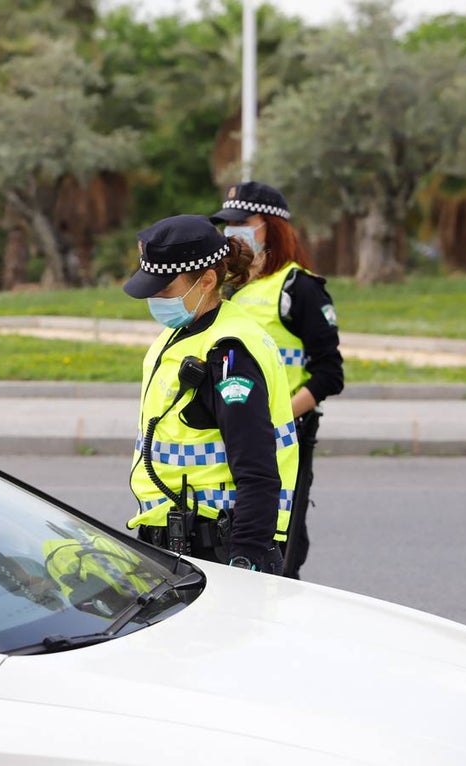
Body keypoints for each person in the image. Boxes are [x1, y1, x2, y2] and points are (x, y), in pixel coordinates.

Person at [122, 214, 299, 574]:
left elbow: (257, 468)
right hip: (178, 540)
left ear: (206, 281)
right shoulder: (187, 332)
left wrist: (247, 554)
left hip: (217, 548)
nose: (155, 299)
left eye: (165, 290)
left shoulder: (228, 353)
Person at [209, 182, 344, 579]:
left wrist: (278, 420)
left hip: (283, 436)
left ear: (271, 226)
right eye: (226, 222)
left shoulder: (298, 288)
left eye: (241, 221)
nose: (231, 229)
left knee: (279, 547)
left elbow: (329, 374)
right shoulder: (227, 288)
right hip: (230, 432)